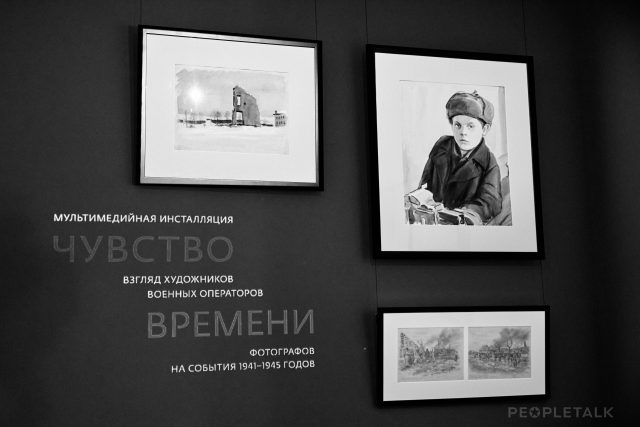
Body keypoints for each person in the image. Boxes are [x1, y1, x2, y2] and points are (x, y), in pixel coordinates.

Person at [417, 90, 502, 224]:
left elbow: (490, 203)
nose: (463, 132)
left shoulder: (488, 162)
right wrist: (420, 199)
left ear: (485, 129)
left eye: (470, 126)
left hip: (460, 225)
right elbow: (425, 183)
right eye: (458, 125)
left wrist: (462, 214)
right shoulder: (441, 146)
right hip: (429, 220)